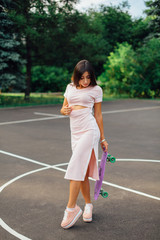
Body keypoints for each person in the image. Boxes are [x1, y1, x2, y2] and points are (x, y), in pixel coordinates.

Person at [60, 60, 108, 229]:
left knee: (75, 167)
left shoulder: (96, 90)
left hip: (89, 130)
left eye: (88, 77)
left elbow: (98, 115)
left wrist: (102, 138)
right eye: (82, 77)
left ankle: (71, 208)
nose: (86, 81)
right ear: (76, 77)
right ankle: (88, 205)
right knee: (82, 170)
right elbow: (64, 108)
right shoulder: (70, 87)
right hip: (75, 132)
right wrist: (64, 111)